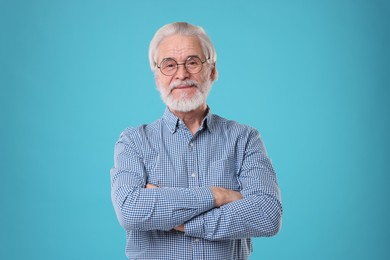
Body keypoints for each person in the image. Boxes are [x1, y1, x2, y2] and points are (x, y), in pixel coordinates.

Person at [110, 22, 282, 260]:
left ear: (212, 71)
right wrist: (217, 196)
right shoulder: (133, 142)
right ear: (157, 78)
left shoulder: (244, 139)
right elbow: (130, 211)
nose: (181, 75)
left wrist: (176, 218)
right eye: (169, 65)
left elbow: (267, 215)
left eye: (192, 62)